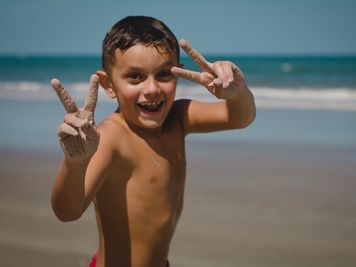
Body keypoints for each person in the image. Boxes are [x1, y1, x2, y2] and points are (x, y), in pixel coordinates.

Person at [50, 16, 256, 267]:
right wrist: (75, 163)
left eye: (164, 74)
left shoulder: (178, 119)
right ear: (108, 84)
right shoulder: (110, 138)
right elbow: (67, 212)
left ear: (178, 74)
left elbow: (239, 117)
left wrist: (238, 90)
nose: (151, 89)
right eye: (135, 76)